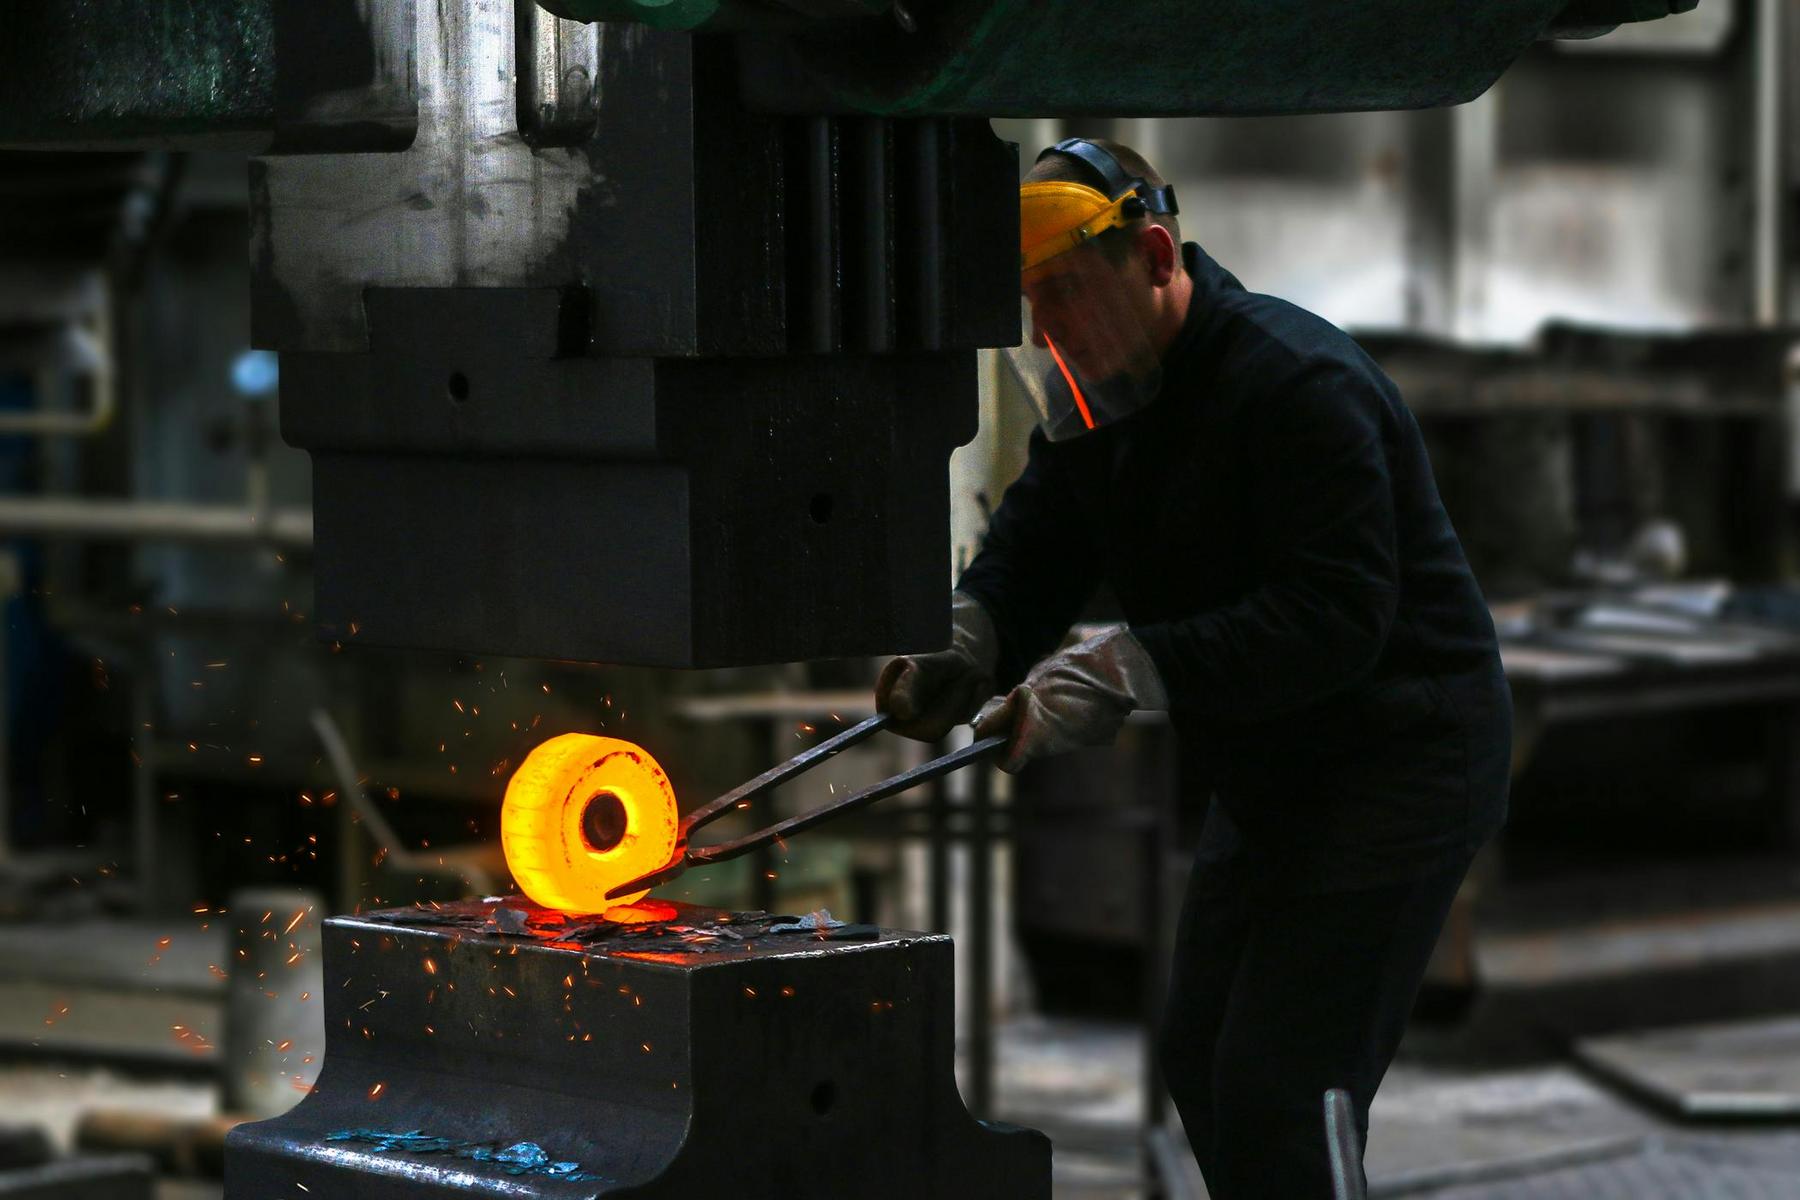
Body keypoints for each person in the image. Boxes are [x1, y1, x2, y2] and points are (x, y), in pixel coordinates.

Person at [874, 137, 1512, 1198]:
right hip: (1276, 769)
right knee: (1201, 1056)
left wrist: (1125, 668)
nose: (1051, 330)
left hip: (1400, 764)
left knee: (1286, 1086)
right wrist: (971, 637)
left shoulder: (1297, 383)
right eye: (1033, 305)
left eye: (1067, 294)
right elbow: (1041, 543)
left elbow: (1334, 618)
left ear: (1157, 257)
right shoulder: (1104, 396)